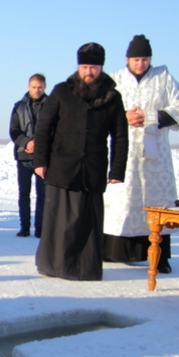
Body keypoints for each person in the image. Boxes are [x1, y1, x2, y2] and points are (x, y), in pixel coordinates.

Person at [33, 43, 128, 281]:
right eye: (85, 67)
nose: (89, 72)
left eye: (93, 67)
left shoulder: (112, 97)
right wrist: (40, 160)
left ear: (101, 67)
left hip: (93, 168)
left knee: (89, 223)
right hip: (62, 167)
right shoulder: (62, 91)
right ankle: (55, 266)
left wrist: (117, 170)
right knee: (60, 222)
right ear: (78, 66)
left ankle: (86, 269)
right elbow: (44, 127)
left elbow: (120, 136)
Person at [103, 35, 179, 274]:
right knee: (122, 200)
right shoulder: (114, 79)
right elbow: (100, 108)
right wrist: (123, 116)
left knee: (157, 203)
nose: (140, 64)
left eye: (144, 59)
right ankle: (112, 252)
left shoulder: (163, 77)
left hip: (154, 154)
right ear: (127, 59)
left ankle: (160, 257)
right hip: (124, 151)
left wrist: (151, 116)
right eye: (136, 59)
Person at [9, 73, 48, 238]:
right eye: (34, 87)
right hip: (24, 155)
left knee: (43, 194)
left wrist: (40, 144)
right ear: (28, 86)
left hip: (44, 157)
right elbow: (14, 130)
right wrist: (26, 143)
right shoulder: (19, 107)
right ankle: (24, 227)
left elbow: (55, 130)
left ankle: (41, 228)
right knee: (24, 194)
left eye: (40, 87)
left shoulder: (52, 105)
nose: (37, 90)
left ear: (44, 87)